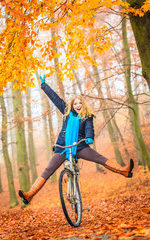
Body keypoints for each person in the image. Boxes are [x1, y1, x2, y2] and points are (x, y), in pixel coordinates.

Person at [18, 75, 134, 204]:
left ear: (83, 104)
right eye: (75, 103)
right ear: (72, 105)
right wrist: (44, 85)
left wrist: (89, 138)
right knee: (48, 170)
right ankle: (29, 195)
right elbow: (55, 98)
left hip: (80, 146)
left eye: (80, 103)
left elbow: (89, 128)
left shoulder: (87, 116)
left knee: (100, 158)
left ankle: (124, 171)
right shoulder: (66, 111)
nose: (78, 105)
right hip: (63, 146)